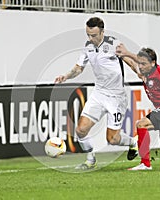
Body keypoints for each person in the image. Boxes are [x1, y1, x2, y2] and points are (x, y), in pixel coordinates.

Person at [54, 17, 138, 170]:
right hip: (98, 94)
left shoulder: (114, 44)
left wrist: (142, 74)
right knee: (80, 130)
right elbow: (78, 68)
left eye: (93, 35)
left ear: (102, 32)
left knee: (112, 139)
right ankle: (90, 159)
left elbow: (130, 62)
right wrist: (65, 76)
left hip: (116, 97)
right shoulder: (88, 47)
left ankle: (133, 142)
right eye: (88, 35)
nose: (90, 38)